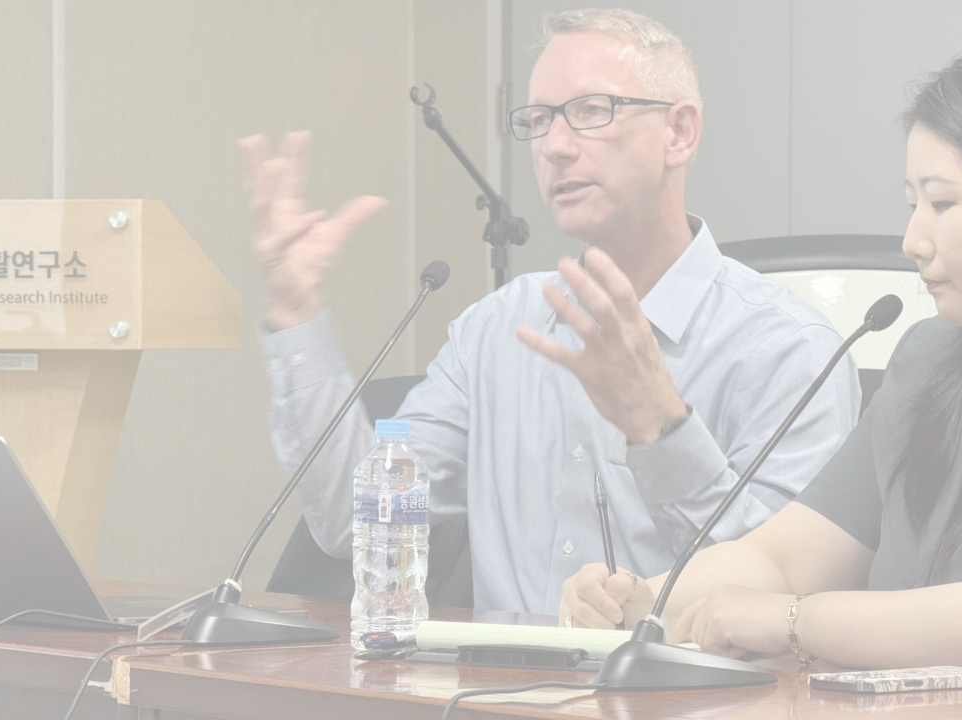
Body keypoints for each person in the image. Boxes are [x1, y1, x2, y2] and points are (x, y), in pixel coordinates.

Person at [247, 8, 859, 614]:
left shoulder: (790, 348)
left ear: (680, 133)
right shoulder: (496, 329)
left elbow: (788, 601)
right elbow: (358, 528)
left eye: (591, 111)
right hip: (488, 699)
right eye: (538, 120)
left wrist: (661, 429)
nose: (555, 146)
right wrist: (297, 313)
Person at [559, 55, 962, 669]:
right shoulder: (926, 356)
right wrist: (646, 601)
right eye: (911, 203)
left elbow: (787, 602)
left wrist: (795, 620)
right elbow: (784, 558)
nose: (912, 240)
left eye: (941, 203)